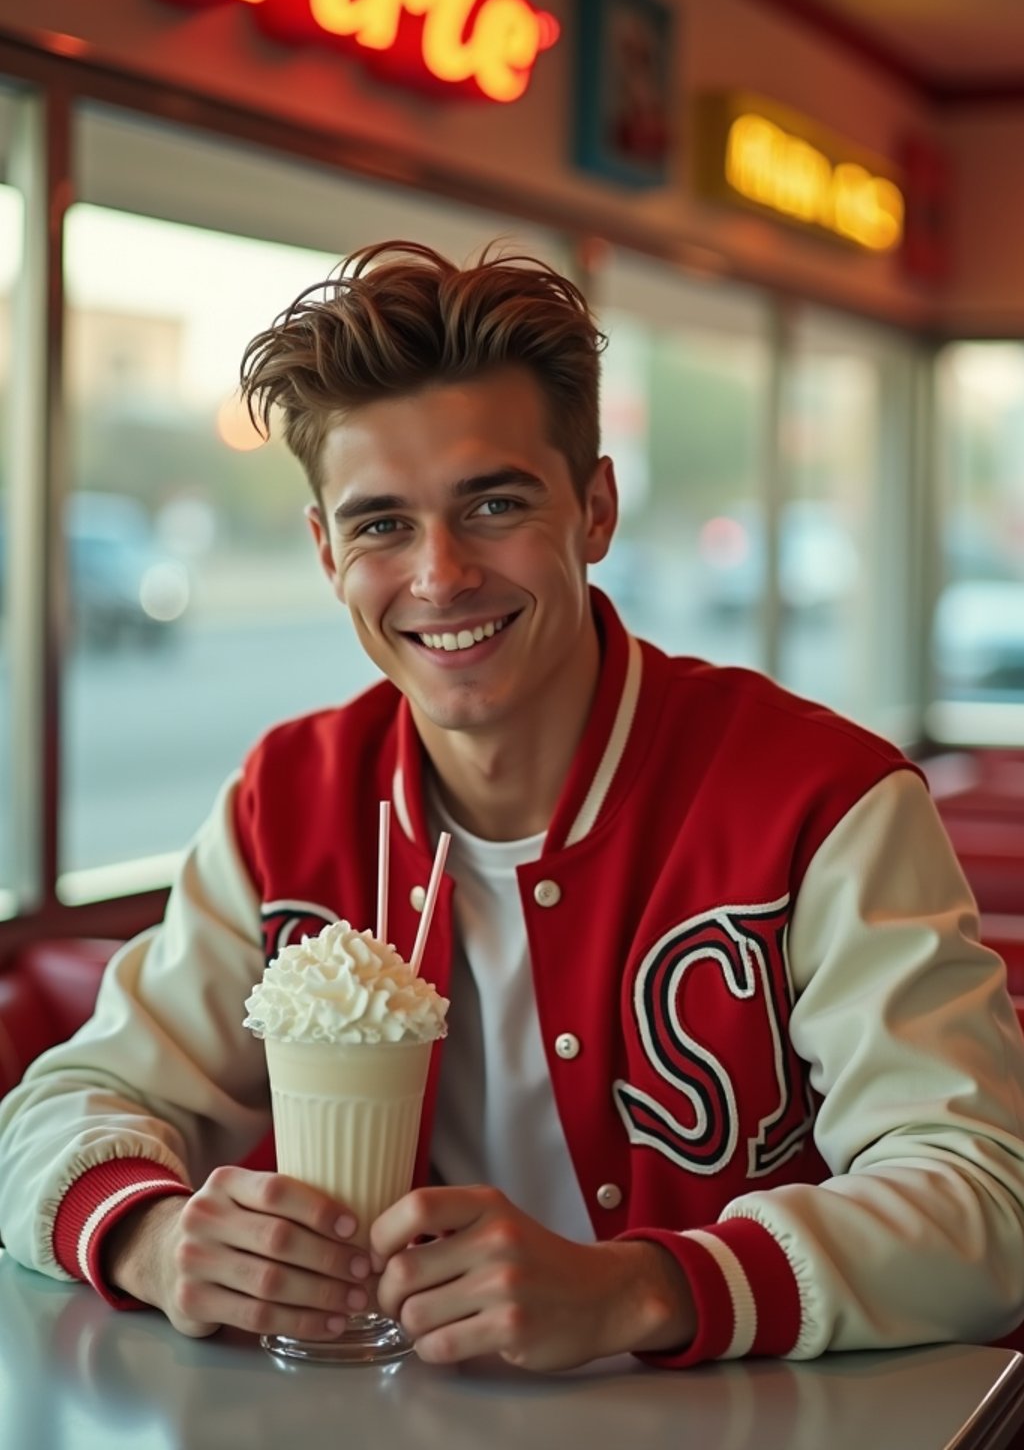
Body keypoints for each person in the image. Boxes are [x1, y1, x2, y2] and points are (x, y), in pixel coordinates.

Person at [1, 242, 1023, 1373]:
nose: (439, 575)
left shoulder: (824, 800)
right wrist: (149, 1236)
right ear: (326, 552)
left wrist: (646, 1287)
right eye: (381, 523)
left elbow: (982, 1200)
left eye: (492, 504)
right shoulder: (284, 804)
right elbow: (67, 1104)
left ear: (593, 510)